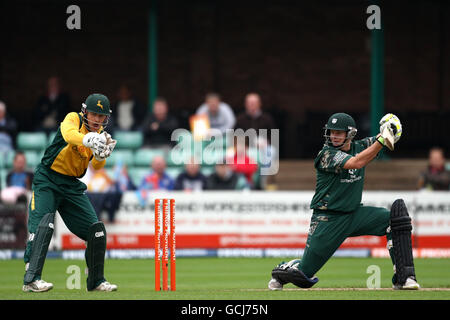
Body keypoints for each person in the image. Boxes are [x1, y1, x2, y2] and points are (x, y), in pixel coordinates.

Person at [268, 112, 420, 291]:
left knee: (395, 220)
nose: (334, 136)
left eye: (339, 133)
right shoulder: (326, 154)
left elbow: (381, 140)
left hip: (355, 214)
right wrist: (382, 140)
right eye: (332, 132)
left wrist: (390, 129)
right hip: (328, 219)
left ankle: (404, 277)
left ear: (350, 134)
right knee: (303, 276)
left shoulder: (360, 146)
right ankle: (284, 270)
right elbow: (356, 162)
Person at [22, 93, 118, 293]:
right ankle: (31, 279)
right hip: (48, 179)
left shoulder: (100, 134)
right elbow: (68, 135)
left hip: (72, 186)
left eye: (101, 117)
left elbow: (98, 166)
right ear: (85, 112)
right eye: (94, 115)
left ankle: (96, 281)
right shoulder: (73, 119)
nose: (97, 120)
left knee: (96, 230)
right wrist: (88, 139)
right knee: (42, 225)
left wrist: (101, 154)